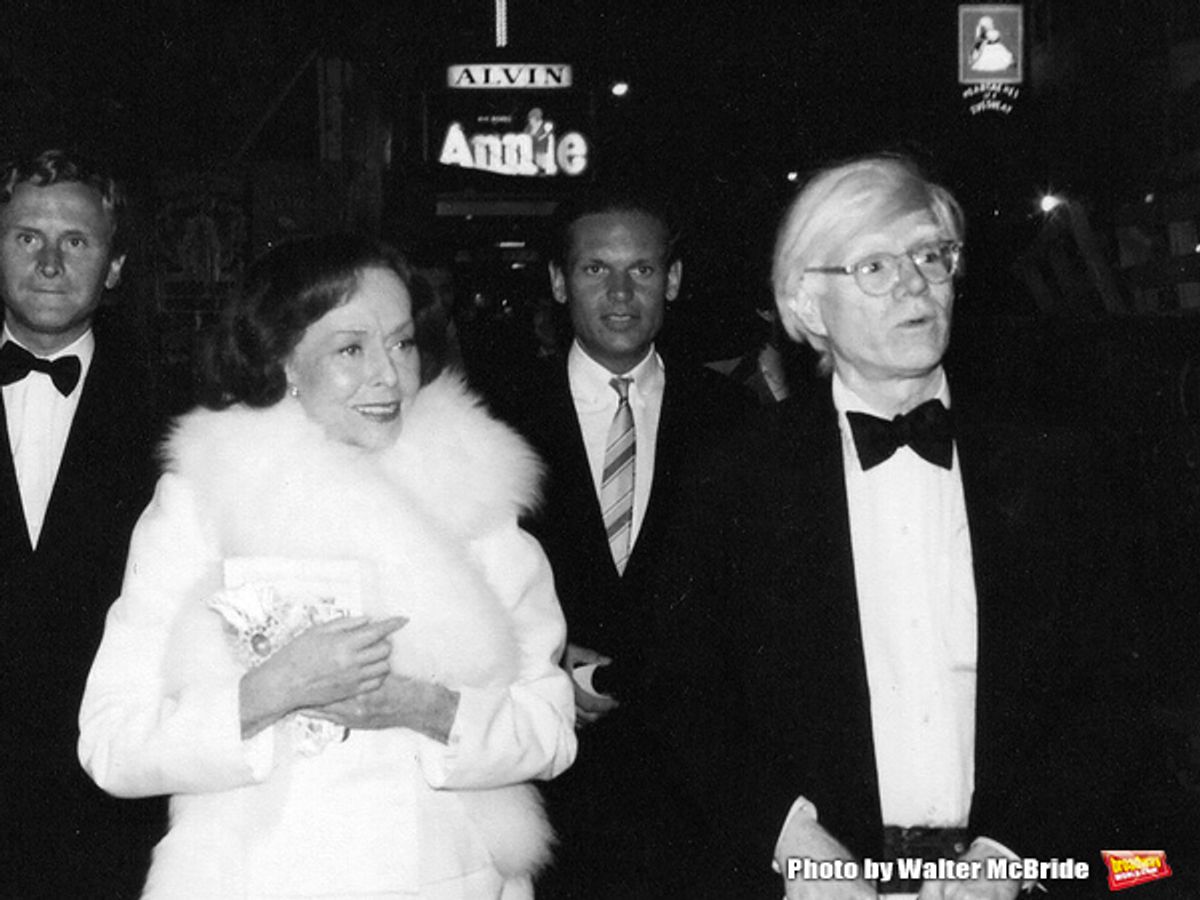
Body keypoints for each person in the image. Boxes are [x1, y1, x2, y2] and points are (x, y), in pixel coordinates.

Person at [645, 155, 1129, 898]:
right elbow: (687, 696)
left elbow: (1104, 693)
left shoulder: (1051, 466)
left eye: (931, 255)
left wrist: (1008, 855)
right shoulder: (733, 479)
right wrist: (794, 844)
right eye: (874, 265)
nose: (914, 282)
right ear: (808, 306)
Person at [78, 234, 577, 899]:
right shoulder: (205, 498)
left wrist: (423, 707)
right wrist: (270, 692)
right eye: (350, 349)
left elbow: (549, 730)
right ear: (284, 361)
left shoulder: (475, 491)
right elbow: (112, 743)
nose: (388, 375)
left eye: (402, 343)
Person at [492, 187, 750, 898]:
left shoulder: (736, 419)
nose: (619, 292)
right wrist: (538, 660)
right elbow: (454, 586)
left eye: (641, 270)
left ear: (672, 280)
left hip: (696, 787)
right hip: (547, 783)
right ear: (556, 280)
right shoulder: (496, 420)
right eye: (594, 269)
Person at [0, 148, 165, 898]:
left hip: (108, 815)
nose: (50, 262)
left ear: (117, 265)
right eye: (27, 236)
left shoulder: (178, 422)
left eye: (77, 242)